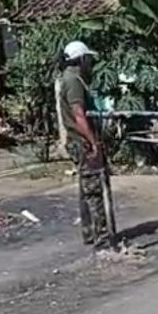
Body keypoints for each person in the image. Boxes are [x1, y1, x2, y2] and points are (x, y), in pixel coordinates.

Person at [58, 40, 117, 252]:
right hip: (82, 142)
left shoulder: (73, 78)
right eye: (88, 59)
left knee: (87, 190)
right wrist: (93, 142)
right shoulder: (73, 80)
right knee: (94, 191)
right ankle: (102, 239)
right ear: (82, 59)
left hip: (79, 142)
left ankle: (91, 234)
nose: (90, 63)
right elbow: (78, 114)